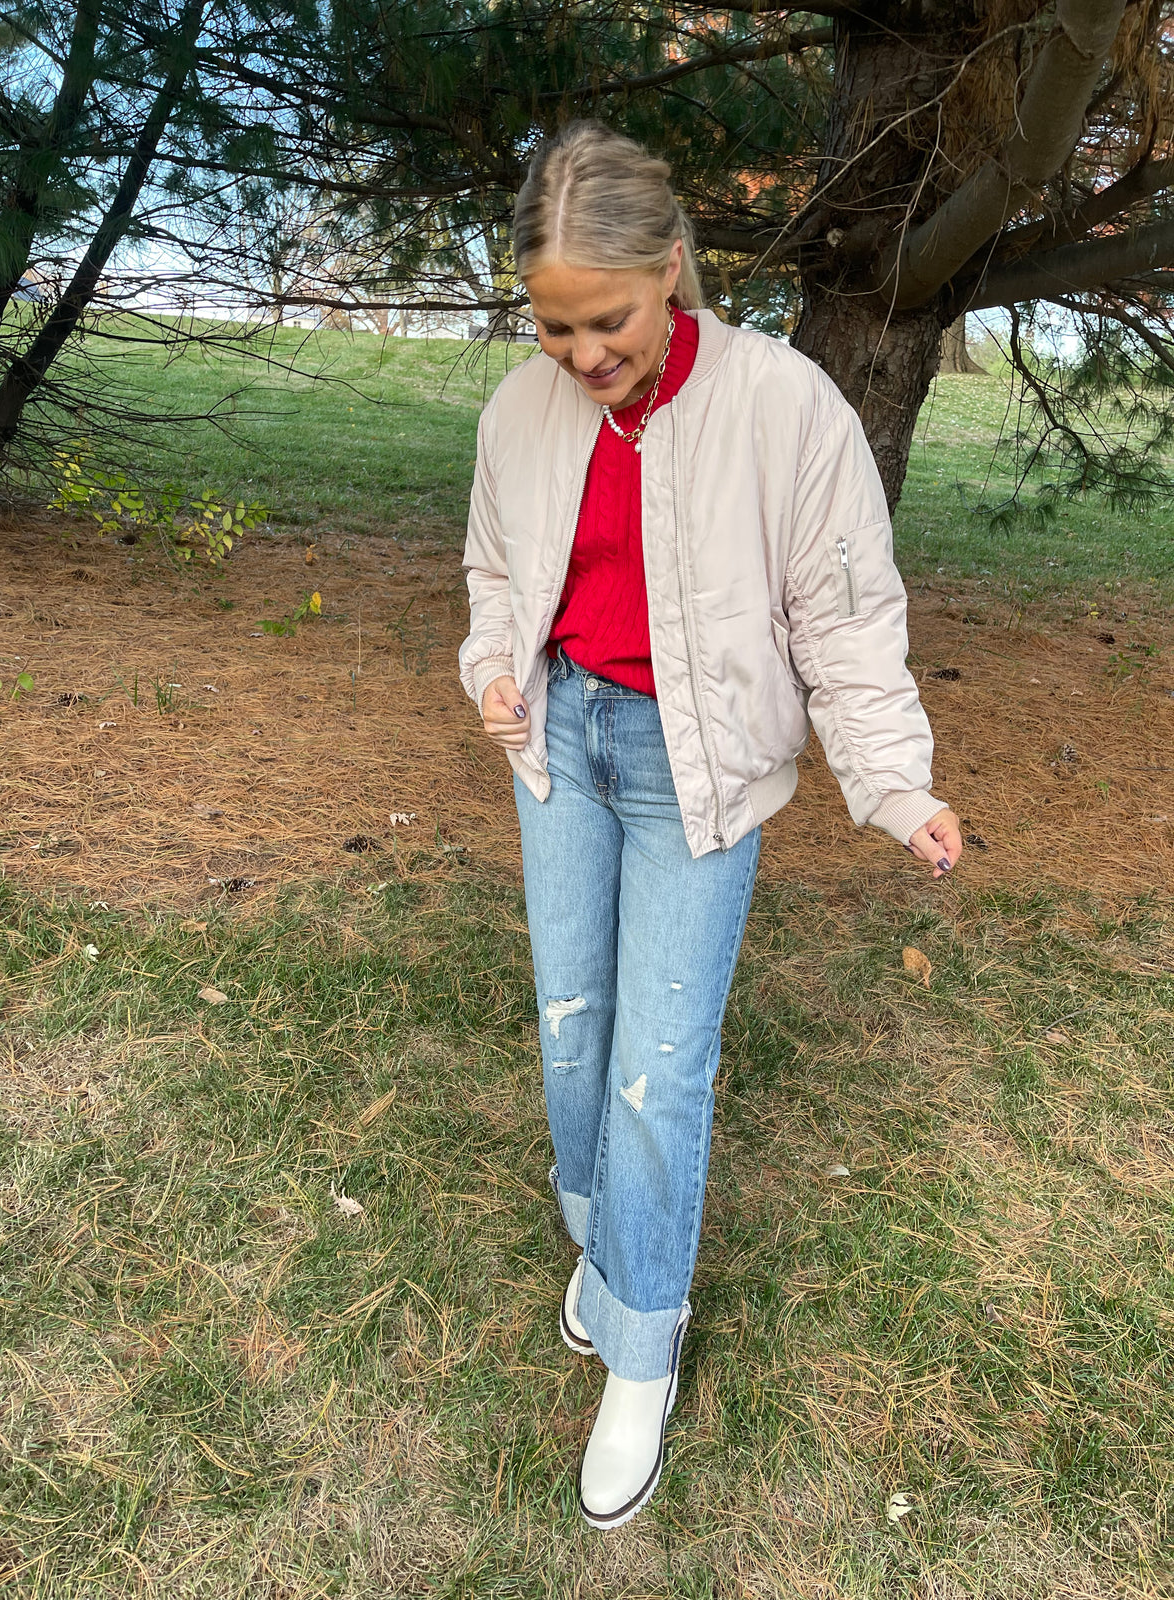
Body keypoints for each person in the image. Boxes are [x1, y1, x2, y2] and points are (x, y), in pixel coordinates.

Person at [457, 120, 963, 1531]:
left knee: (653, 1071)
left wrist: (894, 782)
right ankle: (603, 1241)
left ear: (671, 271)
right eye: (554, 327)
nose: (580, 354)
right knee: (574, 1025)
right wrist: (492, 665)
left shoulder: (786, 409)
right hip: (560, 745)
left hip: (701, 775)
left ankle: (640, 1347)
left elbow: (844, 620)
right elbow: (496, 571)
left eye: (605, 320)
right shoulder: (519, 412)